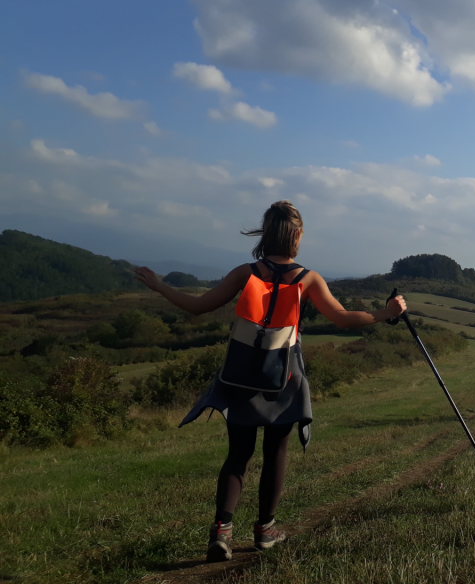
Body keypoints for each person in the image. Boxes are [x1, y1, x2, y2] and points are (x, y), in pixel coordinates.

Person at [133, 201, 406, 562]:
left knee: (238, 455)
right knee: (276, 452)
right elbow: (341, 318)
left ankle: (221, 532)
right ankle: (265, 530)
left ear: (266, 233)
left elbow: (198, 306)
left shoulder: (245, 272)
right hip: (284, 378)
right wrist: (387, 313)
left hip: (239, 375)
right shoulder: (307, 278)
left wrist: (160, 286)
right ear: (297, 236)